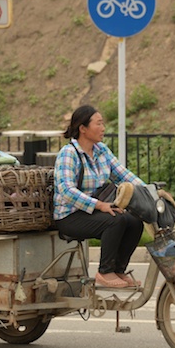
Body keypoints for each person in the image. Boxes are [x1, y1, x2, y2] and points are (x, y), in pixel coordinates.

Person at [53, 105, 145, 288]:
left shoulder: (101, 150)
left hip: (93, 211)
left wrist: (148, 191)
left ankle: (118, 270)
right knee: (116, 220)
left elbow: (123, 174)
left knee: (135, 221)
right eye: (99, 123)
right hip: (69, 215)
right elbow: (66, 190)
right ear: (83, 128)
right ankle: (105, 272)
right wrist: (99, 205)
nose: (103, 128)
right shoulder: (69, 153)